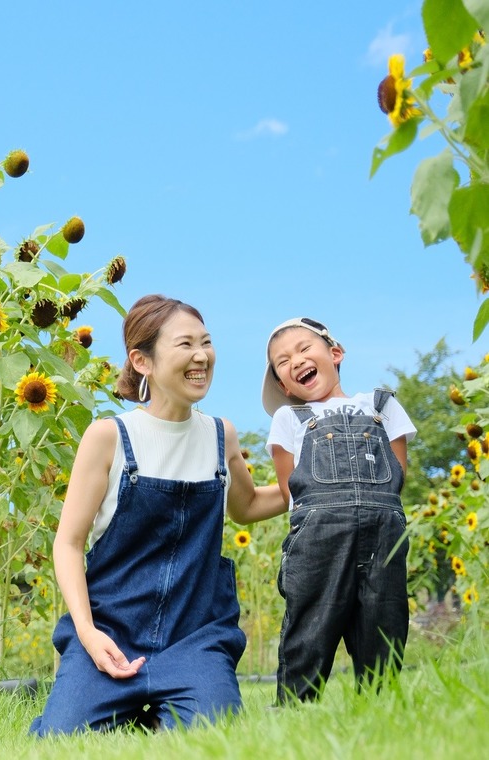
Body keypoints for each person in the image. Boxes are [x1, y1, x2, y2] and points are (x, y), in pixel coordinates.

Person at [30, 295, 285, 735]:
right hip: (112, 633)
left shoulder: (220, 435)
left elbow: (246, 508)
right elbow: (68, 543)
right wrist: (88, 634)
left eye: (206, 343)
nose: (201, 356)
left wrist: (308, 485)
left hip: (196, 639)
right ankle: (131, 710)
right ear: (141, 361)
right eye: (185, 344)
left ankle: (159, 713)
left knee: (215, 738)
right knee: (62, 739)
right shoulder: (109, 437)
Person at [262, 317, 416, 704]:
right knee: (310, 627)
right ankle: (295, 710)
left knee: (384, 623)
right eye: (282, 361)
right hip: (318, 539)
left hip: (384, 535)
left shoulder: (382, 404)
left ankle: (380, 711)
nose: (294, 360)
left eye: (302, 349)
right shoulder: (288, 418)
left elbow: (397, 474)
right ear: (283, 385)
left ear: (335, 353)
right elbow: (290, 490)